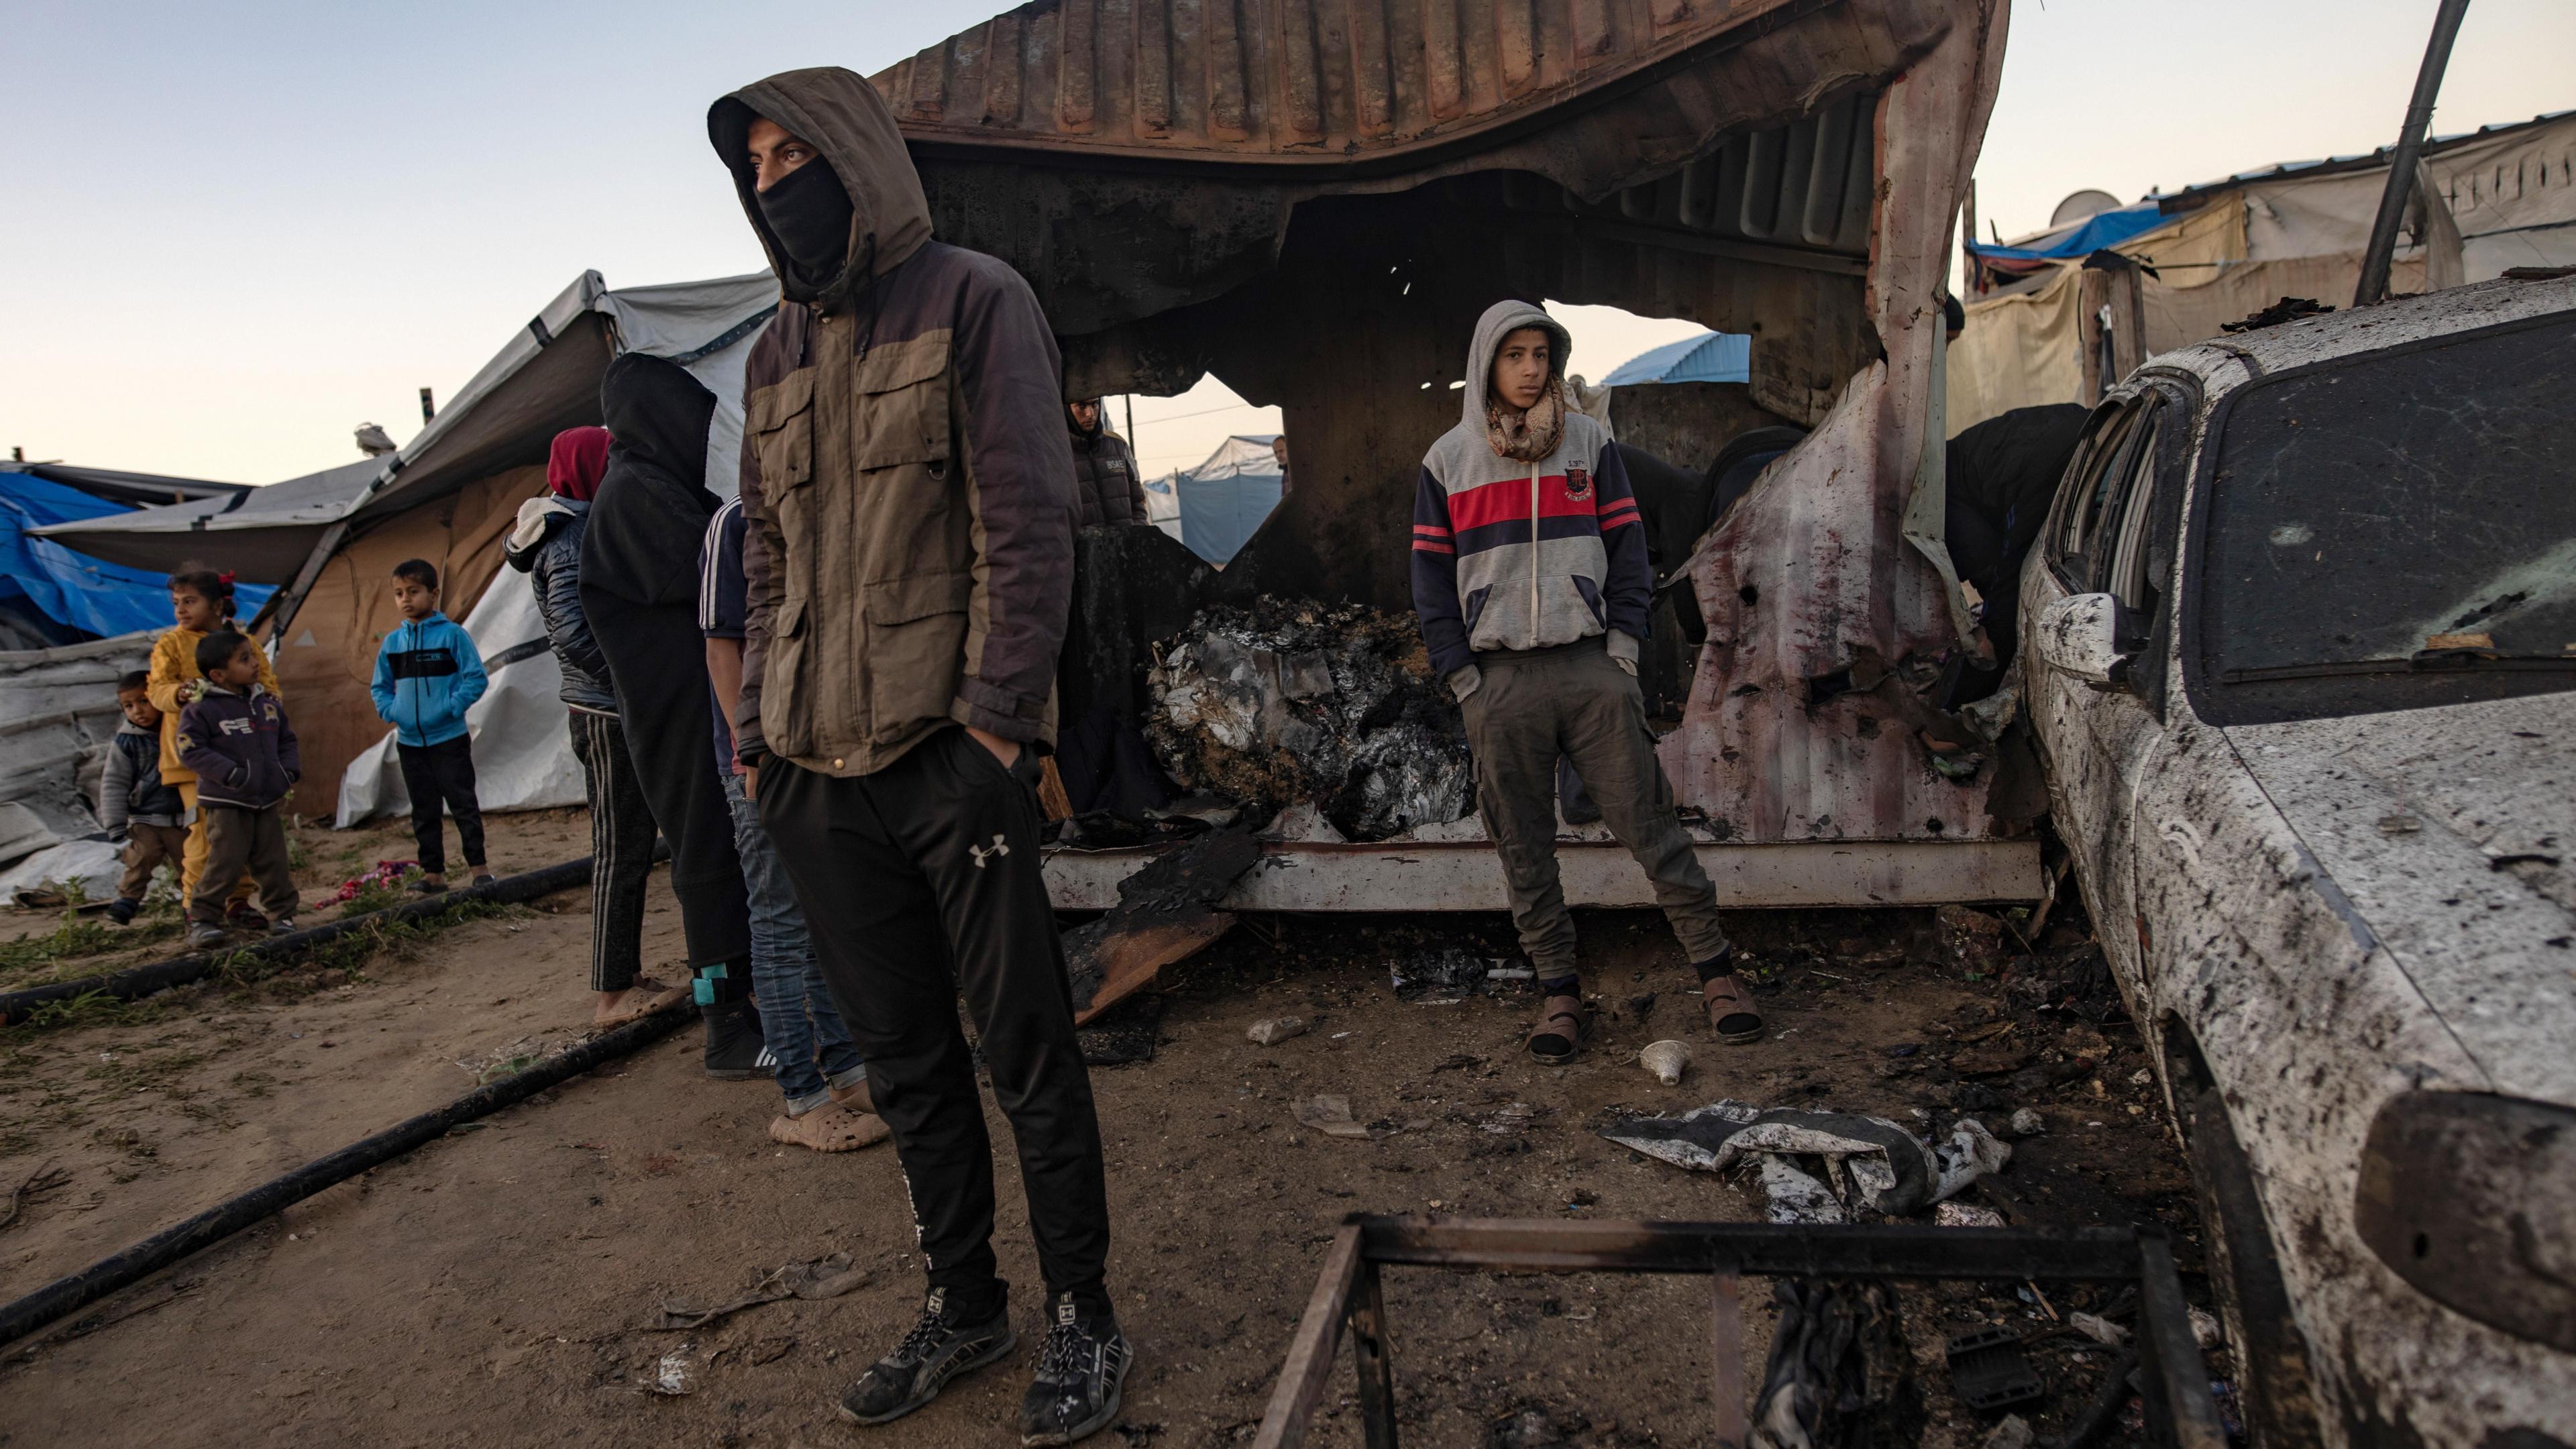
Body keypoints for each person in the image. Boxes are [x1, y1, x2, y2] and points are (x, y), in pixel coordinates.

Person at [711, 67, 1128, 1442]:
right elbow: (766, 555)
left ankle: (1083, 1315)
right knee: (904, 1065)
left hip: (949, 761)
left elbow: (1029, 517)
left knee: (1024, 1048)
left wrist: (999, 727)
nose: (777, 184)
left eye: (795, 155)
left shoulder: (975, 299)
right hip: (817, 778)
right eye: (755, 167)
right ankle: (967, 1303)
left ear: (856, 158)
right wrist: (762, 741)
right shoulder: (773, 355)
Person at [1411, 299, 1757, 1063]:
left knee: (1652, 827)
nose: (1532, 369)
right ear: (1486, 366)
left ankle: (1717, 974)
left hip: (1591, 669)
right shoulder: (1448, 461)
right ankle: (1560, 993)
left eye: (1543, 354)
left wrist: (1624, 652)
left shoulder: (1592, 445)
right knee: (1525, 850)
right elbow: (1431, 583)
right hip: (1499, 683)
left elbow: (1630, 551)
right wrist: (1465, 680)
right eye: (1516, 355)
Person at [580, 352, 763, 1079]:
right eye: (686, 422)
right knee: (708, 857)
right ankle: (726, 1023)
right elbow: (722, 572)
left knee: (727, 855)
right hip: (677, 714)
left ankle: (749, 1002)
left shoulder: (654, 489)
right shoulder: (637, 497)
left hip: (692, 707)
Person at [700, 492, 889, 1152]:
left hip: (816, 750)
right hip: (759, 757)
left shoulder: (824, 505)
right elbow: (722, 649)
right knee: (779, 924)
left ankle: (842, 1072)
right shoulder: (736, 520)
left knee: (820, 919)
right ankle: (800, 1098)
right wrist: (747, 752)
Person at [506, 427, 688, 1027]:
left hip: (610, 707)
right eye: (609, 462)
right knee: (618, 848)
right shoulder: (568, 536)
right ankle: (612, 992)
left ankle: (628, 974)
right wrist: (633, 685)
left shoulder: (579, 526)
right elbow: (573, 631)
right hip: (607, 714)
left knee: (633, 843)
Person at [147, 566, 280, 924]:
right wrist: (180, 693)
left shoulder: (245, 645)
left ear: (219, 605)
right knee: (206, 835)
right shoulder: (171, 645)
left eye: (190, 601)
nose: (181, 610)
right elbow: (156, 691)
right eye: (176, 603)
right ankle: (197, 906)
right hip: (192, 760)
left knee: (242, 833)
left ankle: (237, 902)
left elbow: (269, 688)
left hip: (243, 757)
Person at [1943, 404, 2090, 702]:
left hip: (2040, 465)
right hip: (2083, 426)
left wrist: (1957, 705)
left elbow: (2004, 579)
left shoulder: (1945, 495)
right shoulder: (1950, 462)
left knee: (2009, 602)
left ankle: (1957, 707)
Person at [369, 560, 492, 893]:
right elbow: (380, 687)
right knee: (424, 809)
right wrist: (392, 710)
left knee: (462, 803)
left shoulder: (452, 635)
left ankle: (479, 869)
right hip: (410, 743)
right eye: (398, 593)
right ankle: (433, 874)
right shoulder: (393, 643)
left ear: (433, 594)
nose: (405, 599)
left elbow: (475, 679)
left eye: (413, 591)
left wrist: (451, 708)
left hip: (449, 739)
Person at [176, 631, 301, 948]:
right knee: (226, 860)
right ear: (218, 674)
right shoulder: (202, 709)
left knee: (273, 860)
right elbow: (191, 750)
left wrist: (287, 772)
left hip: (265, 799)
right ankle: (203, 919)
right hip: (227, 800)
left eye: (253, 655)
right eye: (244, 659)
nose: (255, 663)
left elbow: (286, 740)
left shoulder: (267, 704)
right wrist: (231, 774)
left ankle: (282, 915)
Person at [101, 671, 186, 925]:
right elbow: (114, 782)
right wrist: (115, 823)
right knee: (141, 858)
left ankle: (193, 906)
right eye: (129, 706)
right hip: (145, 817)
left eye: (144, 701)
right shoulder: (126, 742)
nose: (137, 711)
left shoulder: (178, 730)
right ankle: (127, 901)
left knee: (189, 864)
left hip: (182, 817)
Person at [1065, 399, 1146, 528]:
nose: (1090, 414)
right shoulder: (1058, 453)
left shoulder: (1118, 445)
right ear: (1067, 409)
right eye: (1081, 406)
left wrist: (1139, 531)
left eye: (1094, 405)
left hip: (1126, 544)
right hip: (1086, 546)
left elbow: (1137, 500)